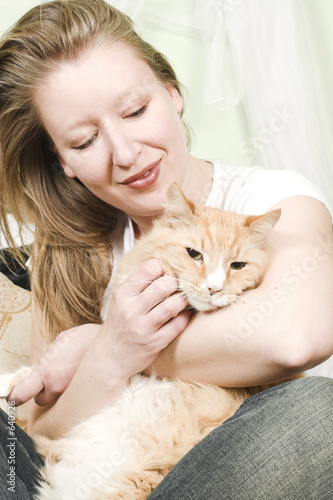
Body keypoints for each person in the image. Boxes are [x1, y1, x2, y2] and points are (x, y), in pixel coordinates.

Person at [0, 0, 332, 498]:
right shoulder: (66, 247)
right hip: (75, 474)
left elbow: (295, 338)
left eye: (136, 111)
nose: (127, 153)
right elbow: (40, 433)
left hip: (199, 469)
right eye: (86, 141)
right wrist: (111, 358)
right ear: (63, 161)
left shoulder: (271, 198)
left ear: (173, 93)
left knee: (319, 413)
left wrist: (107, 346)